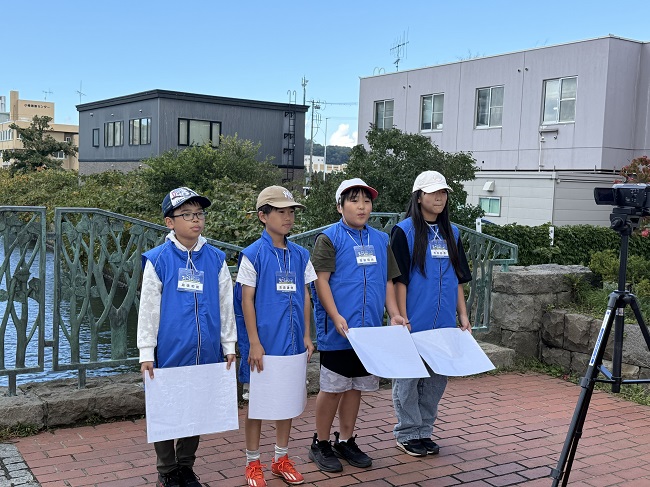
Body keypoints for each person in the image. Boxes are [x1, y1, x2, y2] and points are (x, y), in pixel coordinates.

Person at [137, 187, 237, 487]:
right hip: (169, 351)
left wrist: (228, 345)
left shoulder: (215, 258)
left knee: (196, 407)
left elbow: (226, 305)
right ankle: (167, 470)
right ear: (170, 222)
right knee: (165, 408)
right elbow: (148, 309)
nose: (196, 219)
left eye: (199, 213)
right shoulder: (158, 260)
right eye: (187, 214)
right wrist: (146, 351)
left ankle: (185, 466)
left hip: (206, 351)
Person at [309, 178, 405, 473]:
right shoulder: (329, 238)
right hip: (339, 330)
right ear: (340, 207)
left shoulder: (380, 239)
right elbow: (320, 281)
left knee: (355, 387)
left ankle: (346, 440)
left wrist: (394, 314)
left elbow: (387, 281)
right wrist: (335, 315)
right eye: (354, 200)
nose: (362, 206)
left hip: (369, 331)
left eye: (366, 200)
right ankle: (320, 443)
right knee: (333, 388)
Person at [236, 186, 316, 487]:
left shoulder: (300, 254)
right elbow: (246, 300)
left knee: (287, 401)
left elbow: (306, 295)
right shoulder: (252, 255)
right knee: (257, 406)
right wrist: (254, 342)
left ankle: (281, 458)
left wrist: (307, 334)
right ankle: (252, 462)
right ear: (263, 216)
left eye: (291, 211)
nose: (288, 217)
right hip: (264, 345)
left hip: (293, 343)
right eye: (280, 211)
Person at [389, 170, 472, 457]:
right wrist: (402, 316)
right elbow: (399, 279)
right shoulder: (404, 231)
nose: (440, 197)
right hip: (414, 321)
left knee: (436, 380)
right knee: (408, 380)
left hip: (444, 323)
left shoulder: (452, 232)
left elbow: (457, 278)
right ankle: (407, 432)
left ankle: (424, 431)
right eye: (433, 192)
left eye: (443, 192)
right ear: (418, 196)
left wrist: (463, 315)